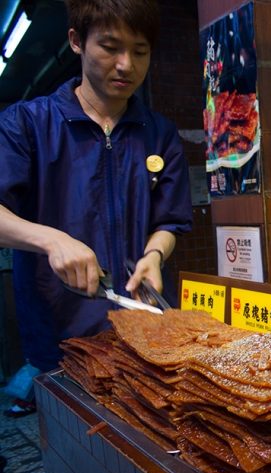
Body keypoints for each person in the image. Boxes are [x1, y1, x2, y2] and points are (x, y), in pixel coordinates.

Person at [0, 0, 193, 400]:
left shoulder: (159, 133)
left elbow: (169, 221)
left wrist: (154, 256)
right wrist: (51, 240)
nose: (126, 65)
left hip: (144, 329)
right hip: (61, 336)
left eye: (140, 52)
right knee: (75, 448)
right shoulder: (27, 123)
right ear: (76, 41)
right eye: (110, 47)